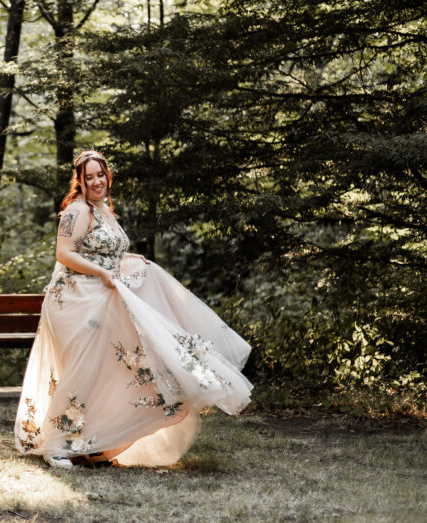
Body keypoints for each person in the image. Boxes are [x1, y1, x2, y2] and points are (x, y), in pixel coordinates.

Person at [14, 150, 252, 469]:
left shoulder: (104, 211)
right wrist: (102, 273)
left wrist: (129, 261)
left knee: (115, 369)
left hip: (99, 295)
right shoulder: (77, 210)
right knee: (86, 370)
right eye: (89, 177)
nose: (96, 181)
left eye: (101, 175)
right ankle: (58, 445)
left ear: (107, 177)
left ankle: (94, 445)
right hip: (75, 300)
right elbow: (64, 253)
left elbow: (104, 254)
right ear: (80, 183)